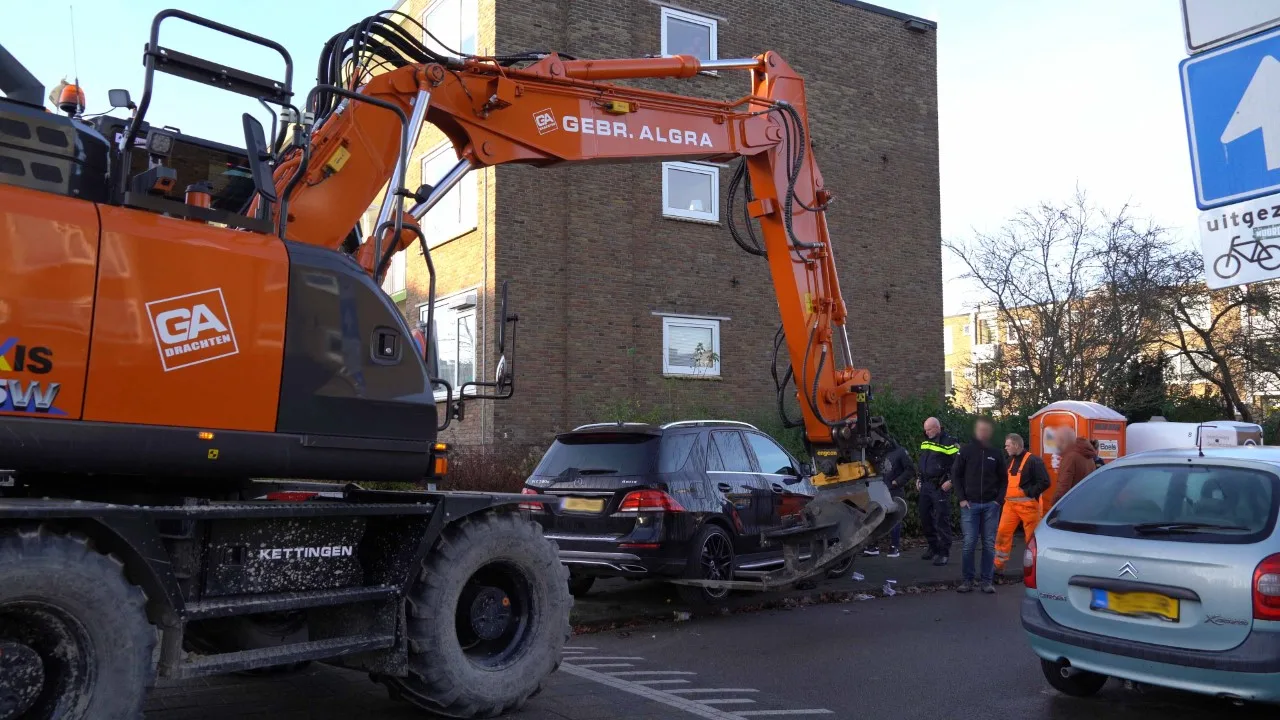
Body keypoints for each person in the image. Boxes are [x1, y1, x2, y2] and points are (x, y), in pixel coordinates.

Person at [951, 417, 1007, 594]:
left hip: (991, 505)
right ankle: (967, 580)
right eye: (980, 429)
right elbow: (956, 475)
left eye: (986, 430)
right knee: (969, 543)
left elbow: (1004, 480)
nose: (983, 433)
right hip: (970, 505)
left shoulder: (996, 453)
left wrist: (998, 500)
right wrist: (961, 498)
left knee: (989, 544)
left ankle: (986, 581)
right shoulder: (966, 451)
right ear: (976, 431)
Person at [993, 433, 1050, 576]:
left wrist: (1028, 492)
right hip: (1010, 506)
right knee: (1002, 534)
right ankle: (998, 567)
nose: (1005, 447)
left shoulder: (1034, 461)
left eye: (1008, 445)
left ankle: (1037, 571)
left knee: (1032, 540)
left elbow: (1045, 482)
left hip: (1029, 507)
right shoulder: (1009, 461)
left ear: (1016, 445)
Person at [916, 417, 959, 566]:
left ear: (937, 427)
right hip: (926, 485)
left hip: (940, 486)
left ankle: (944, 552)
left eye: (929, 430)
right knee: (925, 517)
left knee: (942, 519)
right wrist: (919, 478)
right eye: (925, 430)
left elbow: (959, 463)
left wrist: (951, 481)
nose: (926, 433)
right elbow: (924, 461)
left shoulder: (949, 442)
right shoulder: (927, 440)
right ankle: (933, 547)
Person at [863, 438, 915, 558]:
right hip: (879, 489)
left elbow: (910, 469)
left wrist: (898, 481)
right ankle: (873, 546)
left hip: (893, 489)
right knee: (875, 517)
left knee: (894, 518)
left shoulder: (900, 452)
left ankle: (894, 546)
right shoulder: (876, 453)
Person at [1051, 427, 1097, 507]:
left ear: (1064, 441)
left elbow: (1064, 487)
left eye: (1057, 441)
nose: (1056, 445)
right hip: (1085, 504)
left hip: (1071, 506)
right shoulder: (1087, 455)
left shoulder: (1070, 457)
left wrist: (1054, 506)